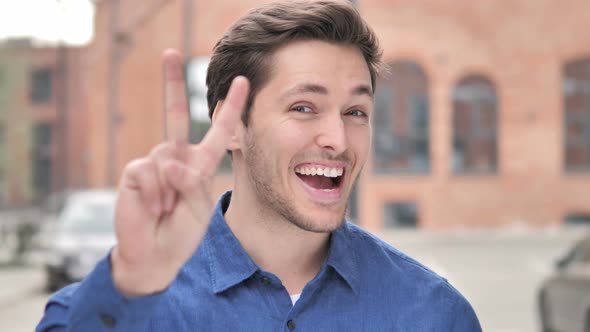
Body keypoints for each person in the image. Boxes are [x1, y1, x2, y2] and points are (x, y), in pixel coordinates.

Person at [37, 1, 481, 331]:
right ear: (232, 127)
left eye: (355, 112)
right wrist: (133, 282)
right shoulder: (117, 308)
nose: (338, 139)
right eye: (304, 107)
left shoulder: (434, 314)